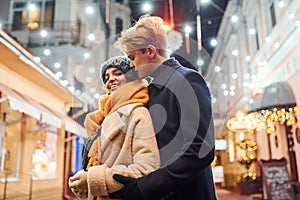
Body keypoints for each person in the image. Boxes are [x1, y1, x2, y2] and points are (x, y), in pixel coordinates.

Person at [108, 15, 216, 200]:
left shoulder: (187, 80)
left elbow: (199, 151)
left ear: (150, 52)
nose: (131, 65)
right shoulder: (149, 90)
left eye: (132, 57)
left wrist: (144, 188)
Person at [68, 55, 160, 200]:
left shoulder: (137, 114)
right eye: (107, 76)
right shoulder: (103, 117)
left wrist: (92, 179)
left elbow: (146, 169)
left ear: (131, 78)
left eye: (118, 73)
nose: (111, 79)